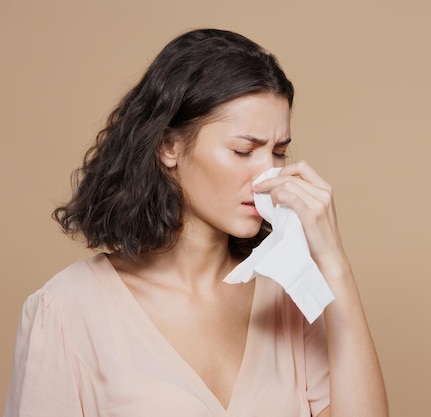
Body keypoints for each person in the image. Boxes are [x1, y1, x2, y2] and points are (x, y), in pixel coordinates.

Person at [5, 29, 388, 417]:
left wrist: (335, 267)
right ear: (169, 147)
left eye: (279, 152)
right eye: (244, 151)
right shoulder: (67, 311)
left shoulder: (288, 298)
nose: (268, 177)